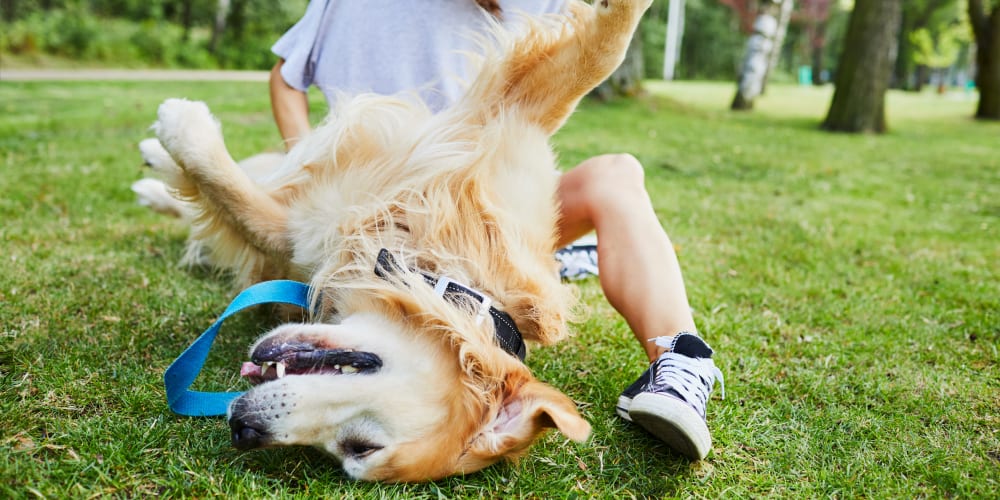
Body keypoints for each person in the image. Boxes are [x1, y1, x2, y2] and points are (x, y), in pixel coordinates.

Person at [268, 0, 724, 460]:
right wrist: (305, 166)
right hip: (376, 210)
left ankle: (680, 363)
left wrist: (615, 26)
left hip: (482, 204)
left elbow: (537, 104)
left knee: (615, 175)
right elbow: (287, 78)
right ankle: (560, 262)